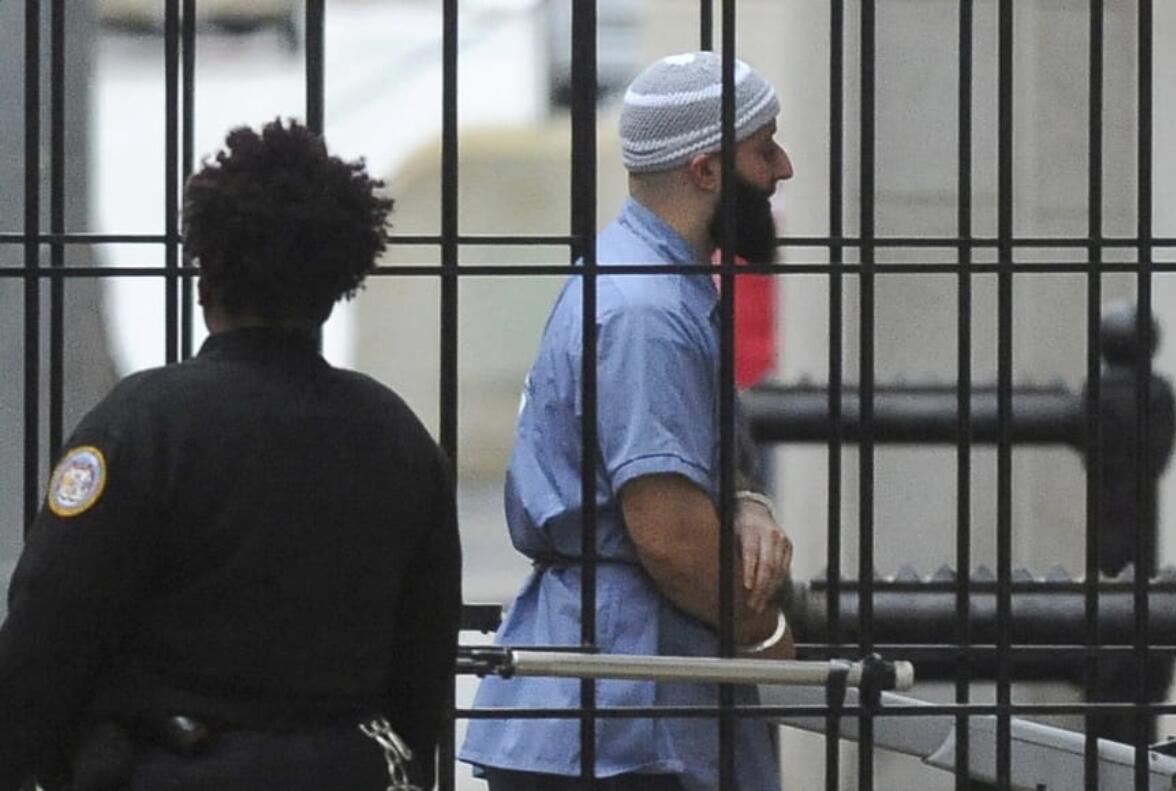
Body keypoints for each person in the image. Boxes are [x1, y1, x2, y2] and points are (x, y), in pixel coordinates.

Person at [0, 119, 461, 791]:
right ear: (338, 284)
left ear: (204, 278)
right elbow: (423, 666)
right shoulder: (399, 437)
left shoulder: (142, 428)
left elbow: (46, 640)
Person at [460, 52, 796, 790]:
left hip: (611, 697)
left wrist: (742, 502)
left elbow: (687, 467)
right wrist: (771, 641)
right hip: (627, 713)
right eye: (764, 147)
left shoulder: (641, 281)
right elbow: (671, 538)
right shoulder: (648, 310)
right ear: (707, 169)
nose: (783, 169)